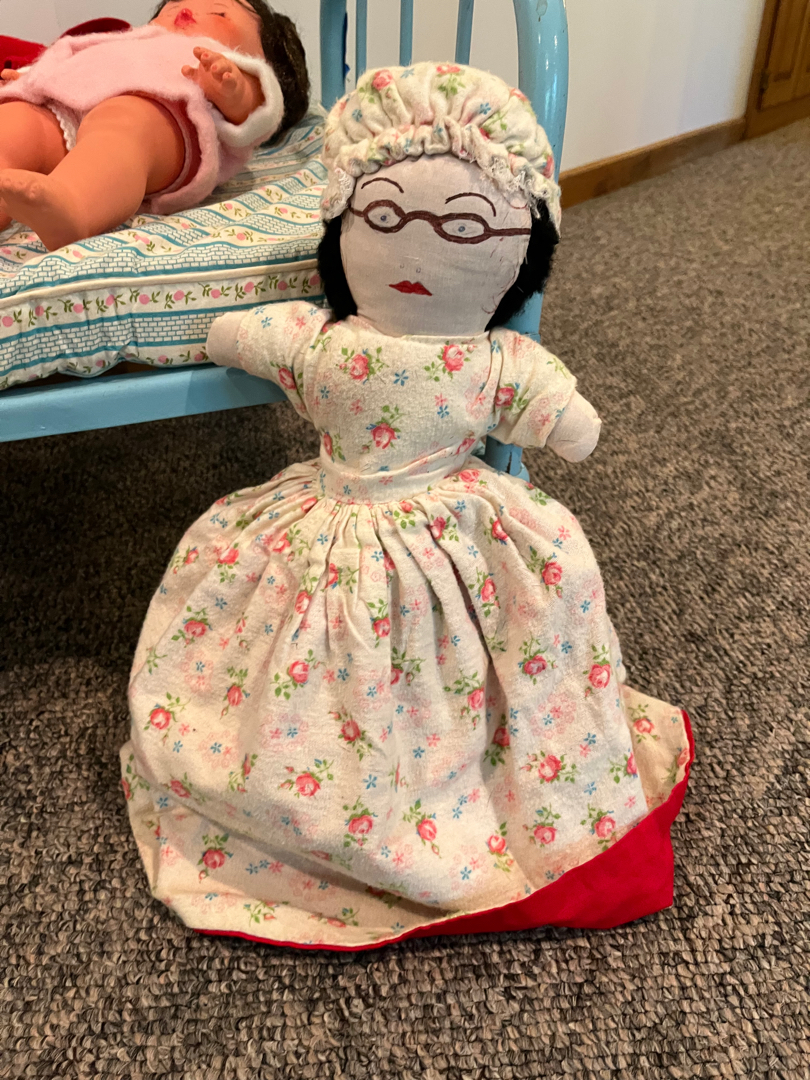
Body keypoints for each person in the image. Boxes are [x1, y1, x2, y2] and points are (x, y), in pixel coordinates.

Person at [121, 63, 692, 950]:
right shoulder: (332, 345)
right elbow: (252, 335)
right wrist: (236, 332)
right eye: (385, 218)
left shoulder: (485, 358)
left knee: (510, 616)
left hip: (450, 509)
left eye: (463, 228)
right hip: (338, 502)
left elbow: (560, 415)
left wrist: (564, 415)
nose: (420, 248)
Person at [0, 0, 308, 249]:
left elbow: (262, 110)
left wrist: (234, 89)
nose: (187, 9)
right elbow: (72, 54)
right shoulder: (127, 40)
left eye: (219, 12)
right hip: (66, 107)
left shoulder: (224, 63)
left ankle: (73, 204)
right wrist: (32, 77)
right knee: (18, 120)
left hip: (164, 117)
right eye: (173, 4)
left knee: (122, 125)